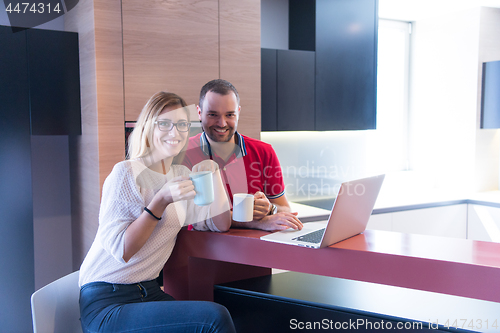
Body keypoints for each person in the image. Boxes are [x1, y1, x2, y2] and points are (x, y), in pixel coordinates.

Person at [78, 91, 236, 333]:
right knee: (214, 318)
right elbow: (122, 250)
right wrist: (161, 200)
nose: (175, 132)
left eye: (182, 125)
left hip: (148, 291)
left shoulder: (180, 176)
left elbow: (219, 223)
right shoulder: (127, 173)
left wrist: (214, 173)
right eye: (165, 123)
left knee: (213, 316)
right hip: (108, 299)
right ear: (148, 129)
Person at [182, 79, 303, 231]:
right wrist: (254, 221)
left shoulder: (264, 151)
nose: (222, 123)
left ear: (238, 112)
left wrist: (270, 209)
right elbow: (190, 216)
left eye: (230, 115)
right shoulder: (183, 154)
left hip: (253, 250)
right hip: (200, 251)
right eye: (213, 114)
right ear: (199, 113)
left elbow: (285, 210)